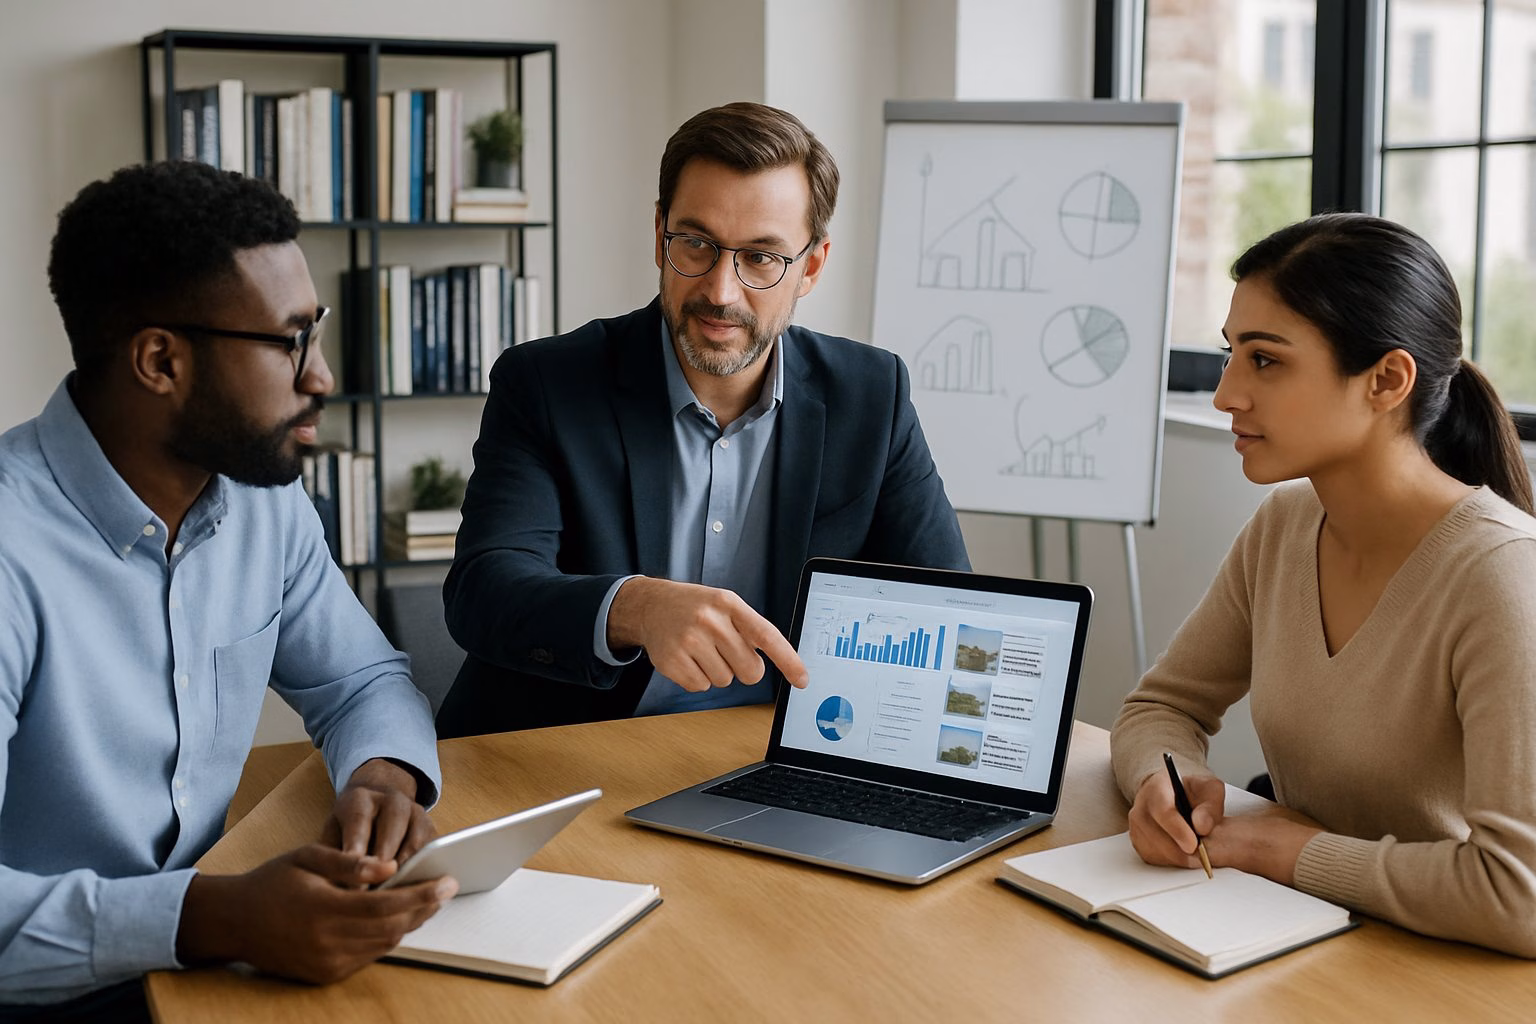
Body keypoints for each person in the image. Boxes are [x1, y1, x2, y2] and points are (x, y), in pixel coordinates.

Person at [0, 162, 457, 1018]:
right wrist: (221, 916)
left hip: (213, 960)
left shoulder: (265, 503)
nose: (321, 376)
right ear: (161, 360)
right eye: (290, 342)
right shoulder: (10, 552)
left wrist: (381, 786)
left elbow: (361, 679)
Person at [437, 102, 969, 736]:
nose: (720, 289)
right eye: (696, 243)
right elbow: (483, 593)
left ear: (812, 267)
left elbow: (946, 606)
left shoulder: (871, 394)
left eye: (762, 257)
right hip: (568, 755)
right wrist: (634, 608)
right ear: (659, 232)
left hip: (771, 754)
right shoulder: (548, 382)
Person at [1111, 212, 1536, 956]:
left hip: (1446, 973)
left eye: (1266, 362)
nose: (1226, 395)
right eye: (1229, 356)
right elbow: (1163, 706)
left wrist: (1284, 851)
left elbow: (1518, 894)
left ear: (1386, 380)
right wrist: (1165, 779)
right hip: (1292, 938)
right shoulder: (1284, 526)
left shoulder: (1501, 575)